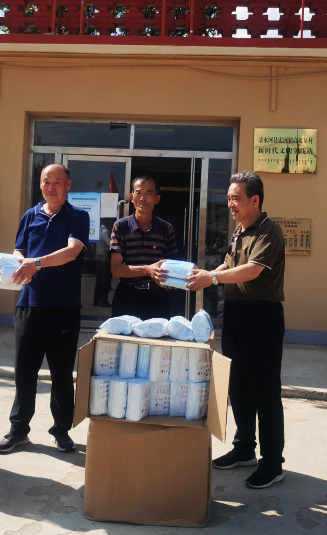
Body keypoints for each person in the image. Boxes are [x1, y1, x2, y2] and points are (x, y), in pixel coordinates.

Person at [186, 171, 286, 489]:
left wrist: (212, 278)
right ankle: (244, 448)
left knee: (264, 390)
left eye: (236, 198)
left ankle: (272, 462)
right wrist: (203, 275)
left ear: (254, 200)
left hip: (262, 317)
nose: (230, 203)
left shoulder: (269, 231)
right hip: (236, 315)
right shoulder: (239, 232)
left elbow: (252, 270)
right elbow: (229, 267)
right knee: (238, 386)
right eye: (229, 198)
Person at [0, 164, 89, 456]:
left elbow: (72, 251)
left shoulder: (78, 216)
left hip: (63, 306)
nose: (51, 187)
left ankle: (61, 430)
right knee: (24, 372)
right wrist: (14, 263)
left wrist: (36, 263)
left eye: (57, 182)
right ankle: (18, 430)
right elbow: (19, 250)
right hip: (29, 304)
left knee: (61, 373)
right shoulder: (29, 216)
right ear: (40, 184)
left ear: (68, 186)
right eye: (46, 182)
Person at [109, 176, 176, 319]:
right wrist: (148, 270)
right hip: (127, 297)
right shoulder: (120, 227)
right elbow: (115, 270)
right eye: (138, 193)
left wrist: (180, 278)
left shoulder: (166, 228)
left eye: (148, 193)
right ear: (132, 198)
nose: (143, 198)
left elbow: (172, 268)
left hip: (158, 298)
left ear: (157, 199)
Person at [93, 223, 112, 308]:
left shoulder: (99, 230)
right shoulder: (104, 231)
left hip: (100, 258)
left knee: (100, 280)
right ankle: (103, 301)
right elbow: (110, 244)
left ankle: (96, 301)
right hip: (104, 259)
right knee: (105, 280)